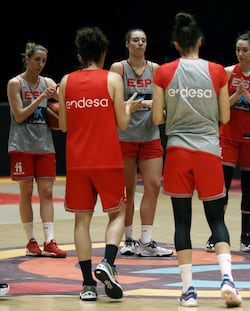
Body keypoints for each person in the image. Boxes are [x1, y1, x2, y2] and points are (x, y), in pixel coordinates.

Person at [152, 11, 242, 307]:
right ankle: (227, 278)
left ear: (176, 44)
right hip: (207, 150)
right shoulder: (217, 71)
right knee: (216, 219)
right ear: (200, 41)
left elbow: (156, 117)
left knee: (182, 223)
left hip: (178, 151)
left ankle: (189, 290)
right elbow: (226, 116)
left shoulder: (163, 72)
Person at [58, 26, 141, 301]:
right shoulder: (113, 80)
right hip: (107, 159)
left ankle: (87, 286)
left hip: (78, 161)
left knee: (82, 221)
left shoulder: (66, 81)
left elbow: (63, 125)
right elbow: (123, 123)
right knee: (117, 213)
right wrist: (128, 109)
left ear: (80, 56)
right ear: (104, 54)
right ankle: (107, 262)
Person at [205, 29, 250, 253]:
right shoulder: (226, 73)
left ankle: (246, 236)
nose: (240, 54)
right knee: (221, 188)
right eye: (237, 50)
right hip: (228, 138)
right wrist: (234, 97)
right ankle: (217, 234)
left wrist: (248, 95)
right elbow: (218, 106)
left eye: (245, 50)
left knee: (248, 189)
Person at [110, 29, 173, 257]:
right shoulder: (119, 68)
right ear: (127, 44)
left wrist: (149, 106)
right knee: (127, 190)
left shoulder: (155, 69)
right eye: (135, 40)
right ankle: (128, 239)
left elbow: (162, 101)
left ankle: (146, 241)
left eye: (143, 40)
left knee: (154, 185)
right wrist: (129, 105)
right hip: (125, 136)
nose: (139, 43)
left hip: (149, 135)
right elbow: (112, 101)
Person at [7, 42, 67, 258]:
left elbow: (66, 105)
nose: (41, 64)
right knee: (26, 192)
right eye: (37, 60)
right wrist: (42, 98)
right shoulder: (15, 83)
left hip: (44, 146)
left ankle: (50, 240)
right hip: (22, 145)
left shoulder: (48, 82)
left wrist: (57, 96)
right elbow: (20, 115)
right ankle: (30, 241)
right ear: (27, 59)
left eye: (44, 60)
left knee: (47, 192)